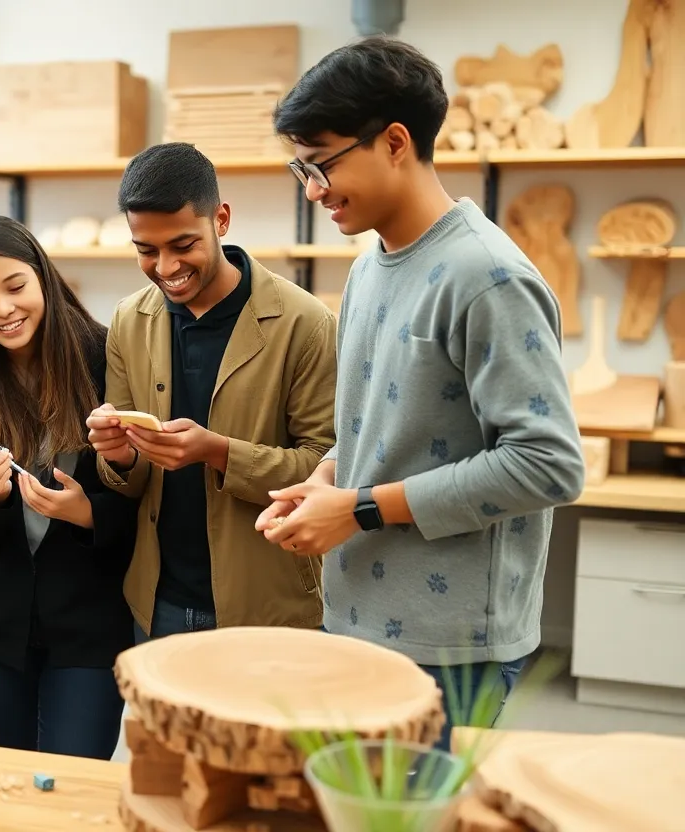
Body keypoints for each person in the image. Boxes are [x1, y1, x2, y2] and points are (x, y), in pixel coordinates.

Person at [263, 36, 586, 747]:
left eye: (321, 165)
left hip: (450, 648)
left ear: (396, 141)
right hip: (358, 616)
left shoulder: (486, 275)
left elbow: (548, 463)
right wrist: (326, 479)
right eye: (301, 170)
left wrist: (362, 508)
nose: (312, 191)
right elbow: (373, 431)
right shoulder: (370, 267)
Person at [86, 142, 338, 642]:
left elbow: (326, 465)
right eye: (145, 250)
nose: (165, 267)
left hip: (268, 607)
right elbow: (128, 483)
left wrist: (219, 453)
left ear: (220, 220)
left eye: (183, 246)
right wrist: (117, 458)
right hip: (158, 604)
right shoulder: (128, 320)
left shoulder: (304, 323)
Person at [0, 215, 135, 760]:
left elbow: (149, 504)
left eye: (16, 287)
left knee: (73, 784)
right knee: (23, 788)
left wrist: (86, 514)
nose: (2, 309)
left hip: (90, 625)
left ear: (42, 276)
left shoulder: (107, 358)